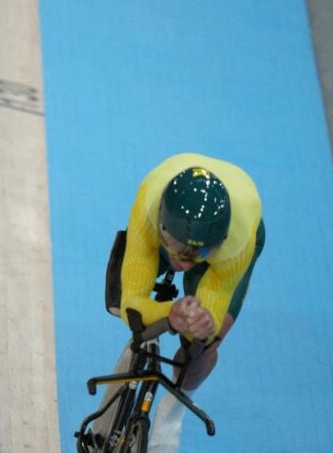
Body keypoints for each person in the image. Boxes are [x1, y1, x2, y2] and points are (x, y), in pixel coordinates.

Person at [101, 152, 265, 453]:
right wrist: (169, 312)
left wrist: (199, 326)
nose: (185, 263)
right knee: (123, 303)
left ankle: (173, 410)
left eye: (197, 255)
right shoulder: (149, 208)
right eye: (178, 251)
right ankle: (179, 249)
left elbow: (203, 325)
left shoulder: (235, 242)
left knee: (202, 345)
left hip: (223, 259)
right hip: (165, 233)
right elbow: (133, 303)